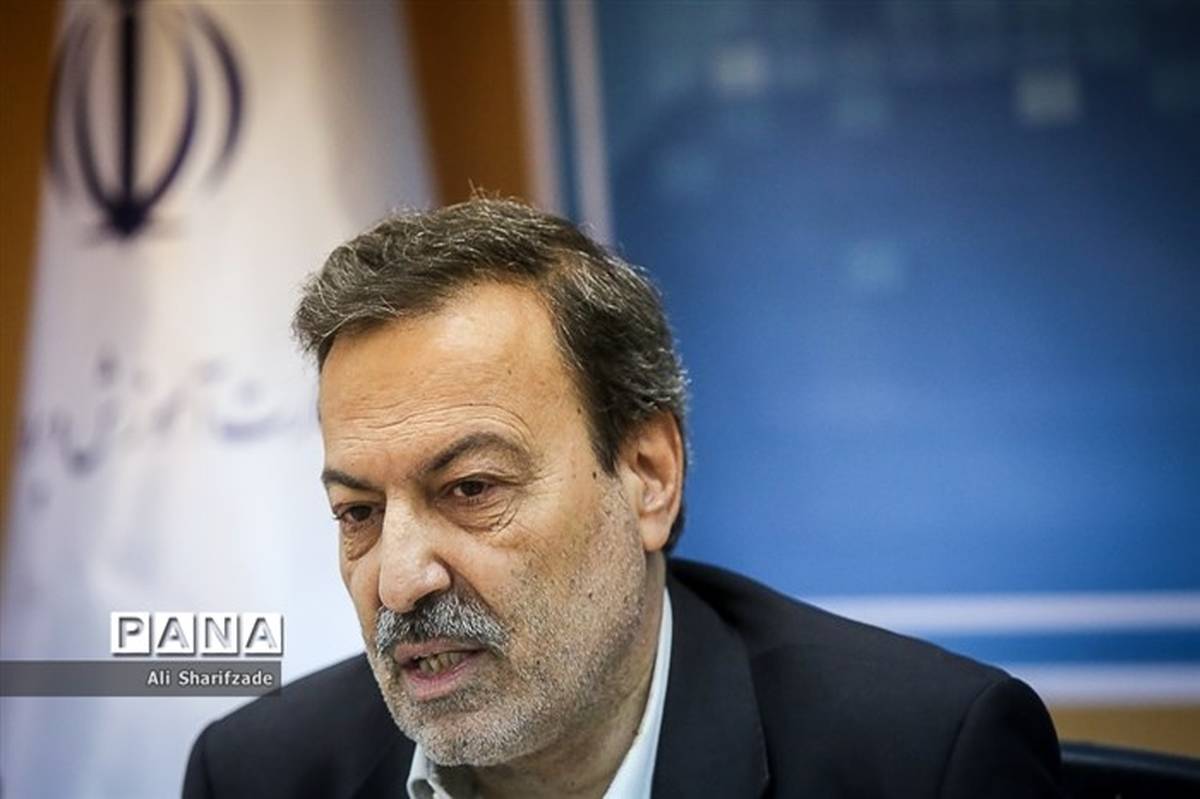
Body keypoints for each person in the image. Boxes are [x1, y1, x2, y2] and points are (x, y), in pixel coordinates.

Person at [183, 198, 1063, 798]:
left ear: (648, 474)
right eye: (359, 512)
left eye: (471, 488)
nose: (400, 579)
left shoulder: (922, 762)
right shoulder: (260, 774)